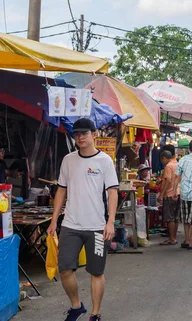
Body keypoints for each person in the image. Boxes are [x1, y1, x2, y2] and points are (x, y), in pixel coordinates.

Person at [47, 118, 119, 321]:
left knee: (96, 272)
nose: (79, 137)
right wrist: (54, 220)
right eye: (76, 134)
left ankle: (95, 314)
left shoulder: (104, 161)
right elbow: (61, 190)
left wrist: (110, 222)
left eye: (84, 133)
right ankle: (76, 305)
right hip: (70, 224)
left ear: (94, 134)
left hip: (97, 227)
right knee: (65, 270)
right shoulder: (68, 160)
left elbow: (112, 192)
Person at [158, 150, 180, 246]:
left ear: (164, 158)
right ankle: (173, 237)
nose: (162, 162)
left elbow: (168, 181)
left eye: (162, 160)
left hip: (170, 194)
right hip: (179, 193)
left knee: (170, 218)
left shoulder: (168, 166)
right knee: (175, 217)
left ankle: (172, 239)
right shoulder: (178, 164)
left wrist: (161, 194)